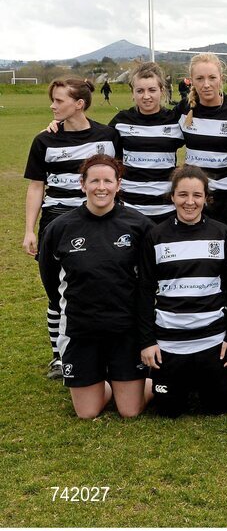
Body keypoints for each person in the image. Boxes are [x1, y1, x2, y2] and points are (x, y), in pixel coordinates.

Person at [37, 154, 152, 418]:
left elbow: (148, 280)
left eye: (108, 181)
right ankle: (104, 382)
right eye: (95, 181)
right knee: (87, 414)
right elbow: (50, 281)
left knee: (130, 412)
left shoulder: (139, 225)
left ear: (118, 184)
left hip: (125, 330)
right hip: (81, 330)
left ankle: (141, 381)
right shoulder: (59, 228)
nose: (102, 187)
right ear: (82, 184)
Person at [24, 77, 118, 378]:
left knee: (102, 285)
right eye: (52, 100)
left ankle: (108, 350)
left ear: (79, 104)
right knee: (57, 292)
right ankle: (58, 356)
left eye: (59, 100)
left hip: (100, 222)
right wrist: (30, 230)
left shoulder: (109, 136)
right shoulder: (45, 140)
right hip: (57, 222)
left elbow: (118, 180)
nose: (53, 105)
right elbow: (36, 187)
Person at [138, 165, 227, 416]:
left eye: (197, 195)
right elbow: (143, 293)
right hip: (169, 343)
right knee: (168, 410)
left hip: (213, 341)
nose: (190, 202)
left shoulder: (223, 234)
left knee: (219, 407)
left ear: (206, 198)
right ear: (172, 196)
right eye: (183, 195)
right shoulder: (156, 236)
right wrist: (147, 342)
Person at [177, 54, 227, 229]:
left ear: (221, 78)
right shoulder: (183, 110)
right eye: (200, 78)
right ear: (191, 80)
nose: (206, 84)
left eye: (212, 78)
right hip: (193, 197)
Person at [109, 62, 183, 221]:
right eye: (140, 91)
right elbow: (95, 138)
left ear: (162, 91)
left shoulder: (174, 121)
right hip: (129, 209)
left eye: (152, 90)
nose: (146, 96)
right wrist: (58, 125)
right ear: (132, 93)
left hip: (166, 209)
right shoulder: (121, 121)